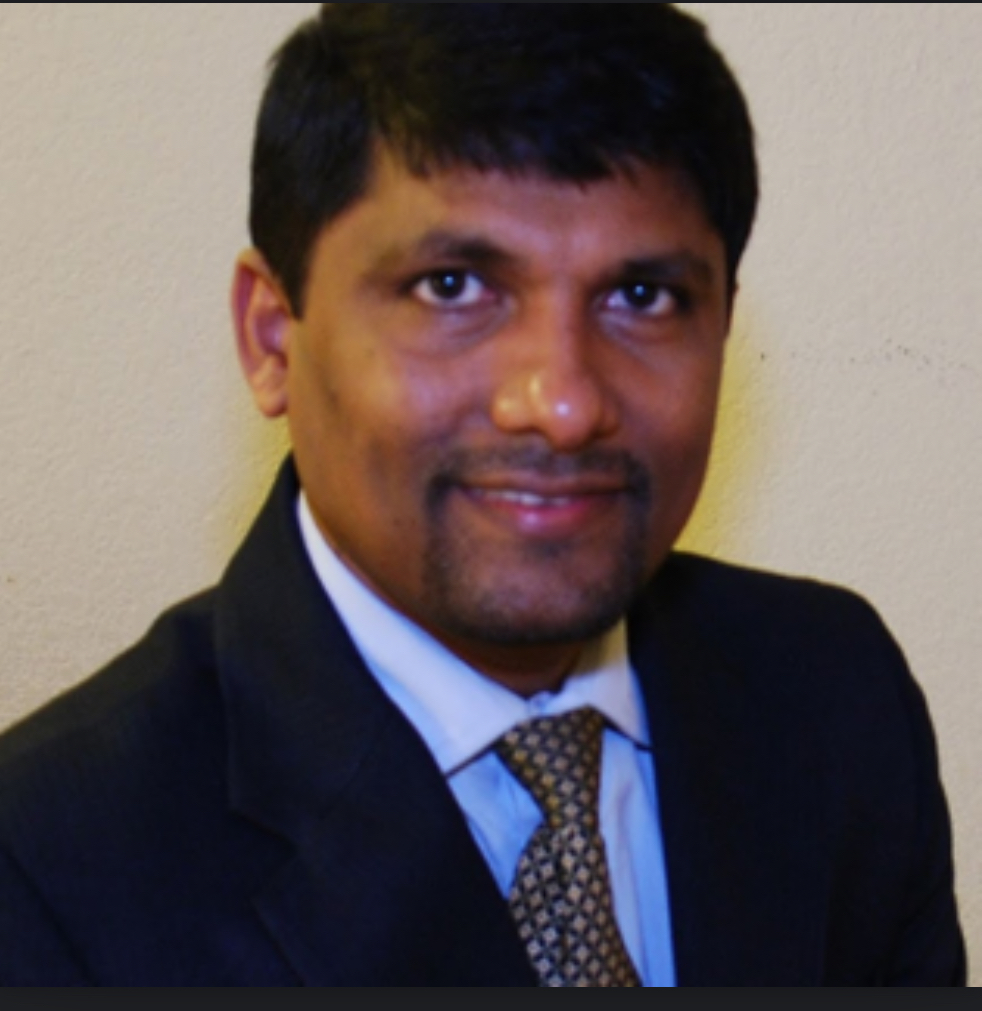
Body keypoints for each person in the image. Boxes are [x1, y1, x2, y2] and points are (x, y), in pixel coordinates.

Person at [0, 3, 965, 987]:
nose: (562, 403)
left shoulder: (835, 698)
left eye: (642, 297)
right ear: (272, 337)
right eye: (453, 286)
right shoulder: (42, 870)